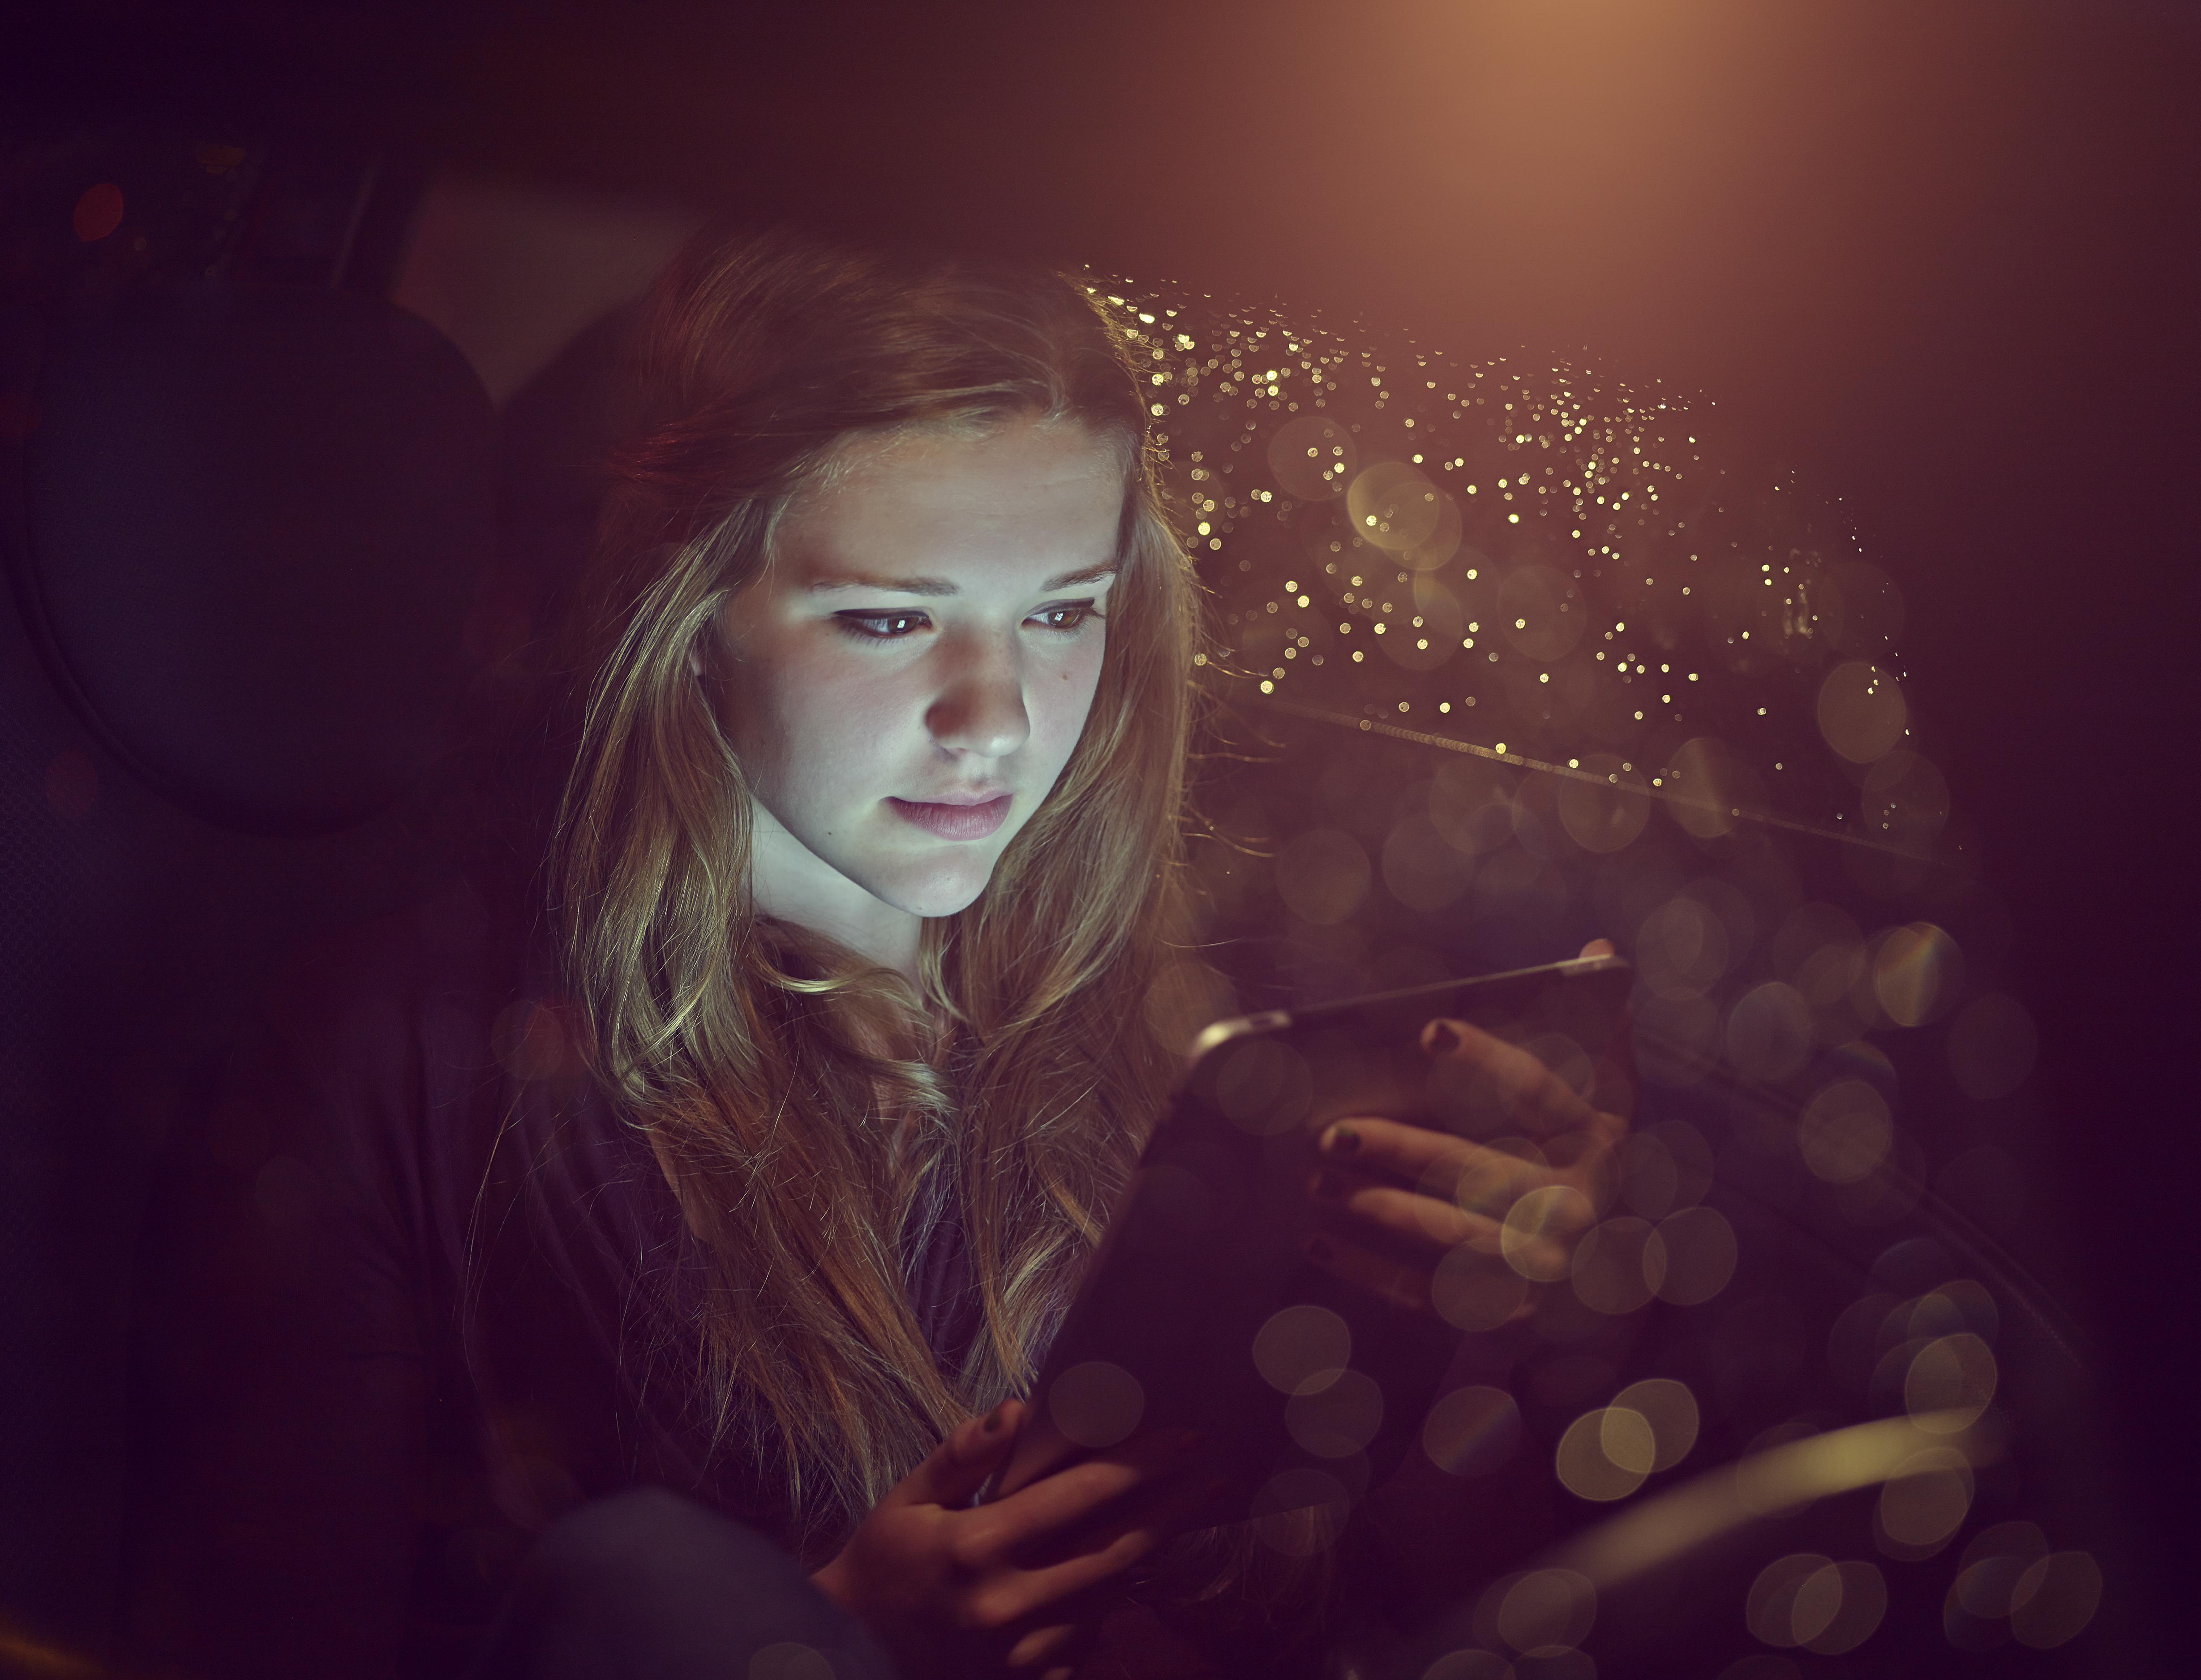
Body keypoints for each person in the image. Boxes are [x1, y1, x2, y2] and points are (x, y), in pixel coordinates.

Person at [124, 227, 1626, 1680]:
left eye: (1059, 613)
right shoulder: (394, 1062)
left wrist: (1504, 1350)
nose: (997, 716)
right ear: (693, 612)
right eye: (889, 617)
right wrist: (827, 1641)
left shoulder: (1189, 1039)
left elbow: (1331, 1614)